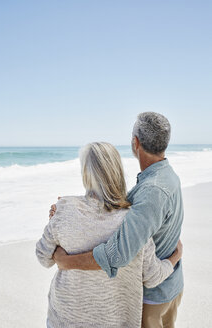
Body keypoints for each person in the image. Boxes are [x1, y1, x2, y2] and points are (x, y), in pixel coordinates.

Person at [52, 112, 184, 328]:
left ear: (136, 143)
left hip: (154, 296)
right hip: (170, 287)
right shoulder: (164, 175)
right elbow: (120, 210)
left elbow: (118, 255)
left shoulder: (152, 190)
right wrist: (71, 207)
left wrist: (67, 261)